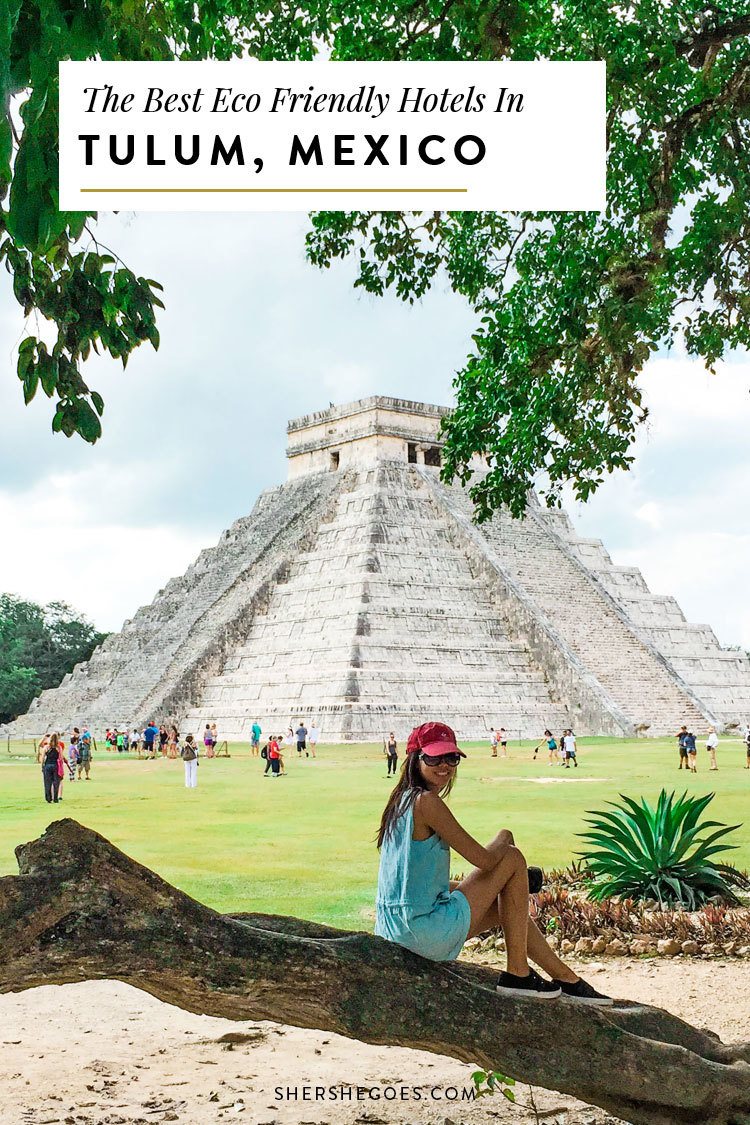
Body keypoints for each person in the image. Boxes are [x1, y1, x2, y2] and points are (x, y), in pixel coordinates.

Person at [375, 722, 611, 1003]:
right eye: (434, 757)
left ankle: (567, 979)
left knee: (509, 907)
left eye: (451, 758)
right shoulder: (426, 802)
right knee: (511, 858)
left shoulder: (400, 801)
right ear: (416, 759)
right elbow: (485, 861)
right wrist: (505, 836)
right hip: (422, 933)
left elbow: (412, 884)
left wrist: (503, 887)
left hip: (396, 929)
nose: (445, 766)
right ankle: (518, 974)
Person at [41, 734, 63, 803]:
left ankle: (48, 798)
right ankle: (55, 798)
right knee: (56, 782)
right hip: (55, 765)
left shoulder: (46, 747)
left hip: (47, 765)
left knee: (47, 782)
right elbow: (61, 758)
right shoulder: (58, 747)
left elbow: (42, 758)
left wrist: (42, 766)